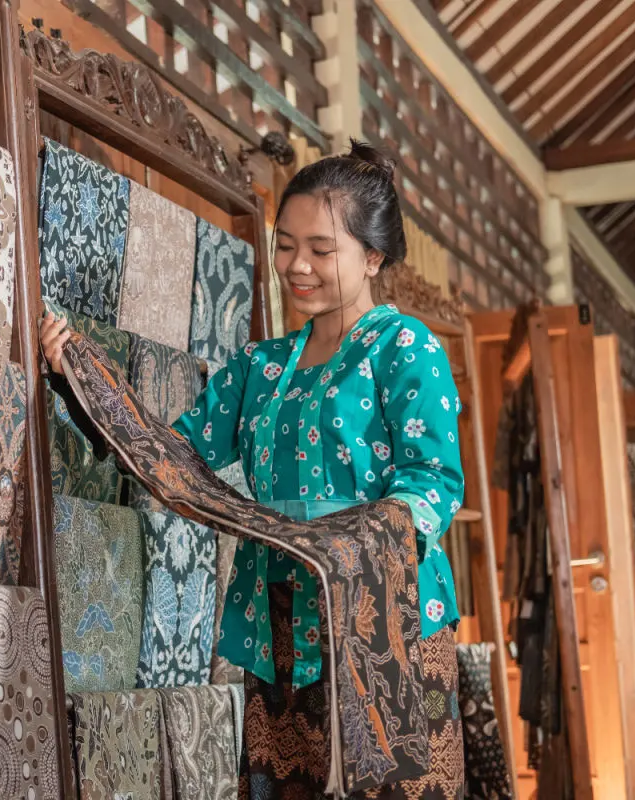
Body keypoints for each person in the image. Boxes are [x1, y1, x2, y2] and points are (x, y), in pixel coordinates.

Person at [41, 140, 464, 799]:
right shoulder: (261, 368)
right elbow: (171, 457)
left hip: (388, 631)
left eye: (321, 250)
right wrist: (79, 379)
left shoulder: (406, 347)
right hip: (281, 630)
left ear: (373, 256)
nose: (297, 266)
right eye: (286, 245)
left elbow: (434, 483)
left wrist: (349, 542)